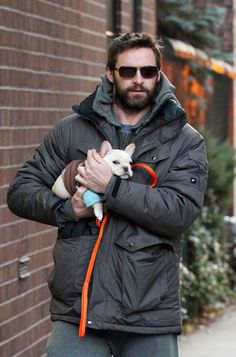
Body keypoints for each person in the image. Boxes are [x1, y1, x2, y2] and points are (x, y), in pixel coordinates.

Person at [7, 32, 208, 357]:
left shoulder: (184, 141)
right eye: (128, 71)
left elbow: (180, 212)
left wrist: (110, 187)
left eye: (148, 71)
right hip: (78, 310)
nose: (138, 79)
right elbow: (21, 192)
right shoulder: (72, 130)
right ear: (110, 74)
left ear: (159, 75)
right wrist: (68, 209)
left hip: (148, 313)